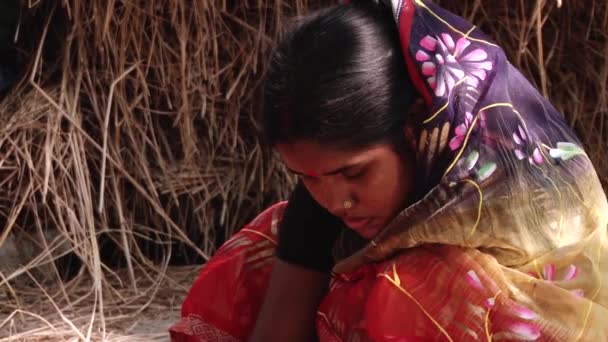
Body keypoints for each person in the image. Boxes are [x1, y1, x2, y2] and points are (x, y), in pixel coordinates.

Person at [170, 0, 608, 341]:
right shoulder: (326, 200)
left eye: (354, 173)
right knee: (269, 242)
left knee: (417, 287)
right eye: (307, 176)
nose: (335, 200)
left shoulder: (508, 194)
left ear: (417, 125)